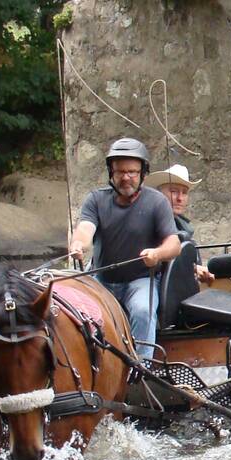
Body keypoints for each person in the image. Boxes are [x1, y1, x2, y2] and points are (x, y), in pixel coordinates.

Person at [69, 138, 180, 361]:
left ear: (143, 174)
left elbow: (174, 244)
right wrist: (78, 245)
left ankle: (142, 367)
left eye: (132, 171)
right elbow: (85, 229)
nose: (126, 177)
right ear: (111, 173)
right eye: (120, 171)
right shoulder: (96, 200)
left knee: (142, 311)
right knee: (76, 313)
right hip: (102, 279)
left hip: (141, 279)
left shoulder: (157, 202)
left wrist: (157, 254)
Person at [144, 163, 221, 287]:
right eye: (174, 191)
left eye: (184, 193)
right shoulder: (149, 222)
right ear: (158, 195)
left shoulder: (184, 227)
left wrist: (200, 271)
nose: (180, 198)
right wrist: (194, 269)